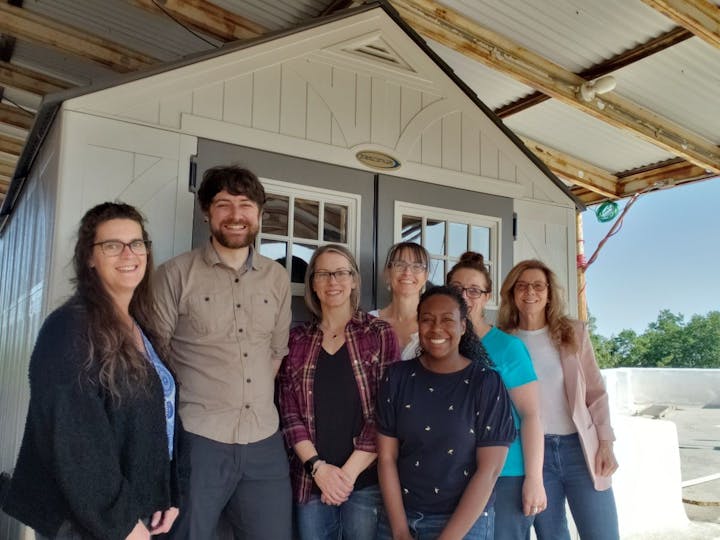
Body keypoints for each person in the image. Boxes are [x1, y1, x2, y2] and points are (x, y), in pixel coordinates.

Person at [4, 202, 183, 540]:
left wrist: (170, 495)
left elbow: (164, 417)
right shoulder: (69, 328)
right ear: (89, 257)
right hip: (88, 521)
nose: (128, 254)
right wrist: (123, 525)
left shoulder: (141, 327)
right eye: (112, 245)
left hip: (135, 512)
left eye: (137, 243)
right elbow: (75, 440)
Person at [154, 166, 292, 539]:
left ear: (259, 214)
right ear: (206, 212)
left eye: (246, 205)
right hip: (198, 440)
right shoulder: (174, 275)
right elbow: (152, 362)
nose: (235, 215)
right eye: (224, 204)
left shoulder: (276, 278)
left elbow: (276, 352)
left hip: (264, 440)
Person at [278, 244, 399, 540]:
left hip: (366, 482)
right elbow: (288, 411)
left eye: (341, 273)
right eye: (323, 274)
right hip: (311, 480)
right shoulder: (296, 339)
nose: (333, 281)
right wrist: (318, 468)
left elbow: (387, 409)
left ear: (354, 280)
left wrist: (346, 476)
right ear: (313, 284)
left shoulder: (379, 334)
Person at [377, 285, 517, 540]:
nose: (436, 328)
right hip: (400, 518)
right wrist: (399, 531)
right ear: (418, 325)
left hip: (464, 524)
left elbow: (489, 470)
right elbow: (386, 458)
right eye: (427, 320)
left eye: (447, 320)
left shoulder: (486, 383)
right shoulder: (396, 377)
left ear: (463, 326)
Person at [497, 259, 619, 540]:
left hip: (579, 449)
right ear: (511, 293)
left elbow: (596, 393)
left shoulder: (573, 333)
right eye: (522, 286)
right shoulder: (502, 340)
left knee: (603, 533)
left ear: (549, 293)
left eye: (538, 285)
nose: (530, 292)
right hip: (532, 456)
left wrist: (606, 442)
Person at [447, 252, 545, 539]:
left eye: (474, 290)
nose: (464, 296)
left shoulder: (507, 347)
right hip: (455, 474)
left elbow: (531, 415)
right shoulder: (441, 345)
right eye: (456, 289)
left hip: (506, 474)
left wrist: (535, 479)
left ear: (486, 297)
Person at [370, 242, 430, 360]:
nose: (407, 272)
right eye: (399, 265)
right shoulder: (369, 322)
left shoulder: (434, 323)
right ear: (388, 272)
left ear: (425, 276)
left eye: (417, 266)